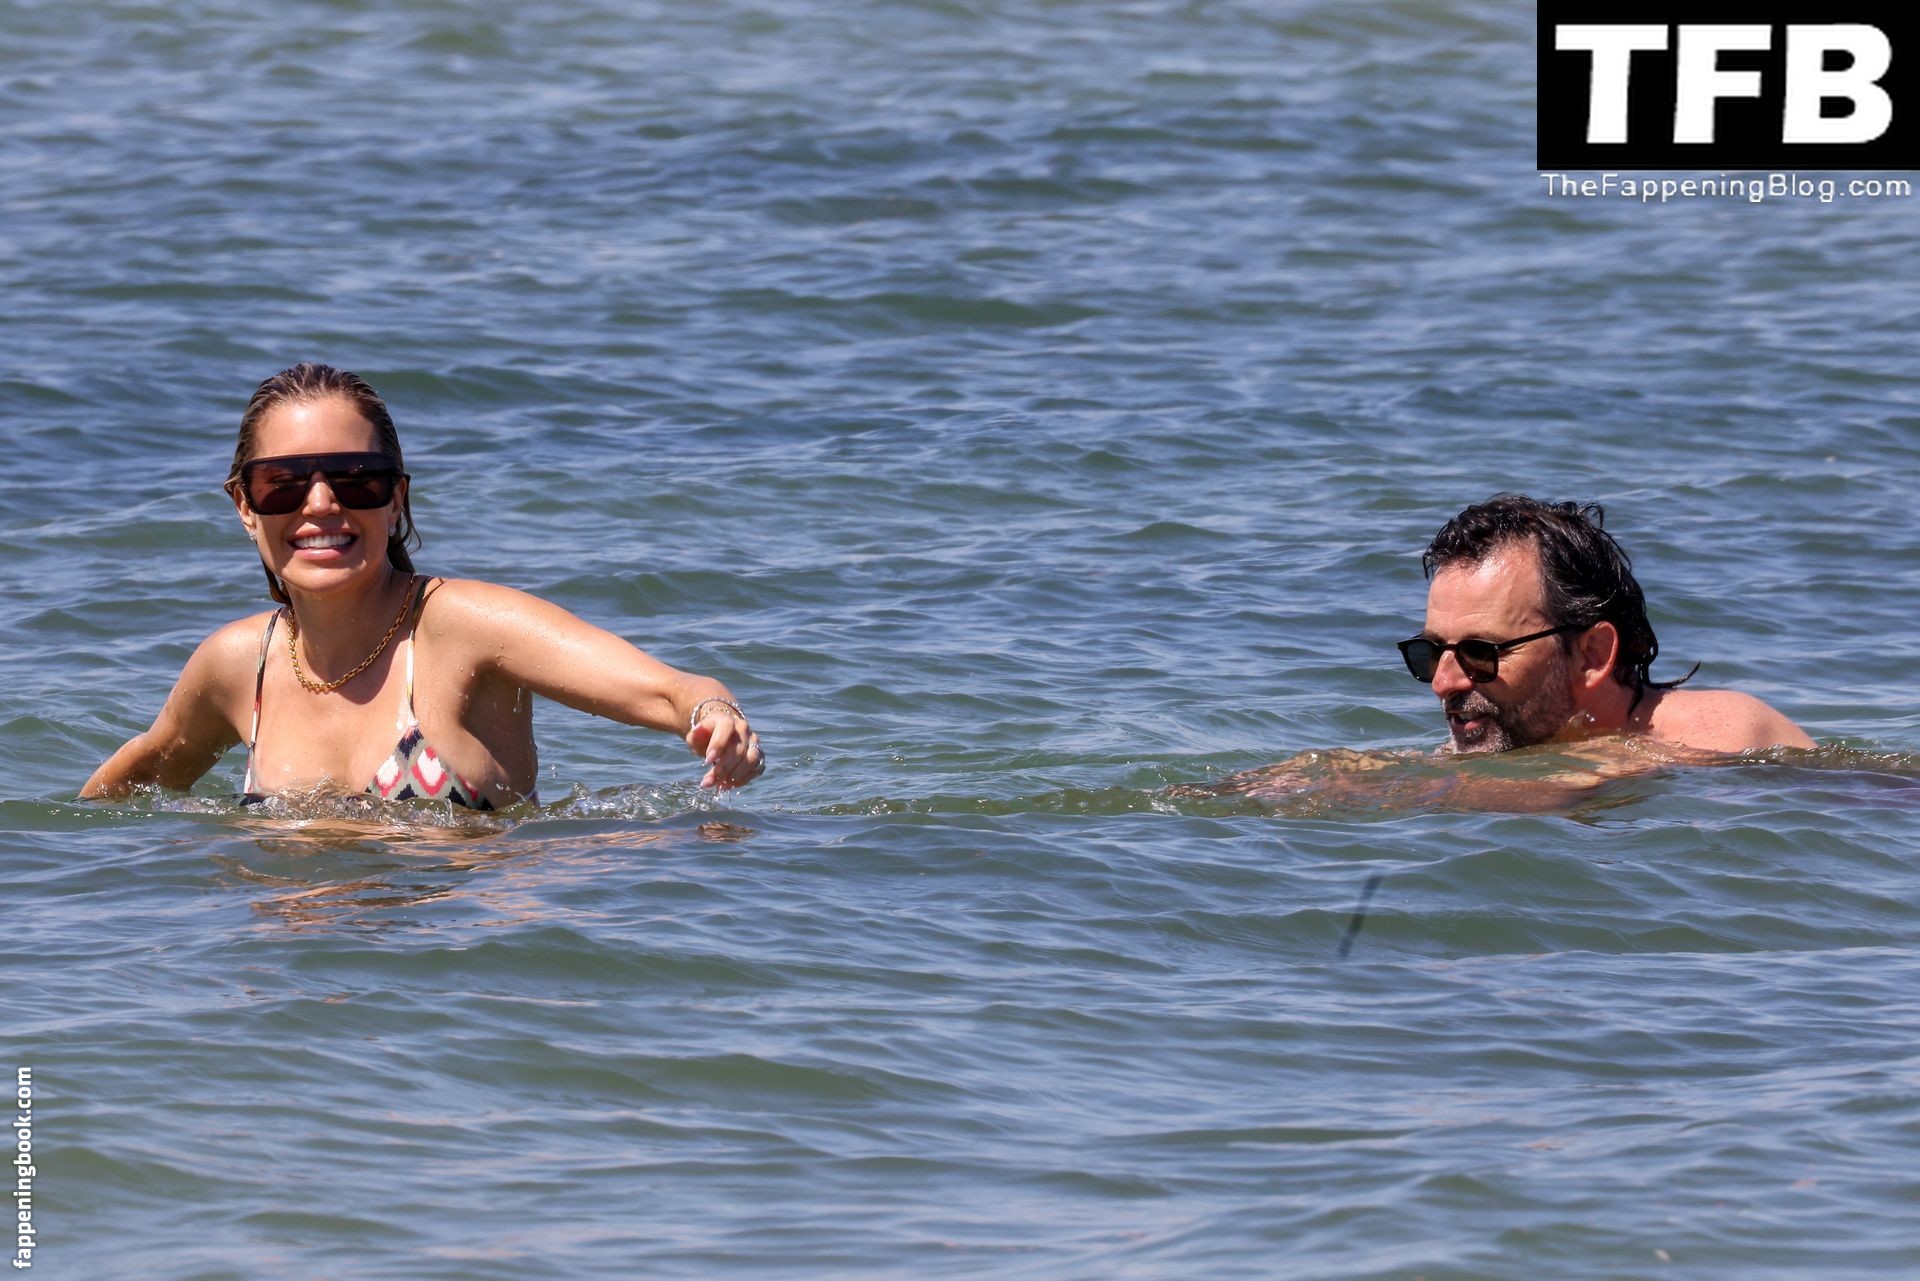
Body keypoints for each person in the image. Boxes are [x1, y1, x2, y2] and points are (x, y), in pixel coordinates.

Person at [82, 362, 764, 809]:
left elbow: (672, 691)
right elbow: (125, 792)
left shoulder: (461, 629)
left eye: (356, 479)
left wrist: (715, 716)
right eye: (283, 483)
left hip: (457, 977)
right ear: (244, 504)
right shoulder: (239, 667)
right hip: (287, 981)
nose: (320, 504)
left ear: (396, 499)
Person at [1399, 494, 1813, 755]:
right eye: (1431, 652)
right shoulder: (1497, 748)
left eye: (1480, 652)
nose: (1443, 683)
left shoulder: (1725, 740)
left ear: (1592, 656)